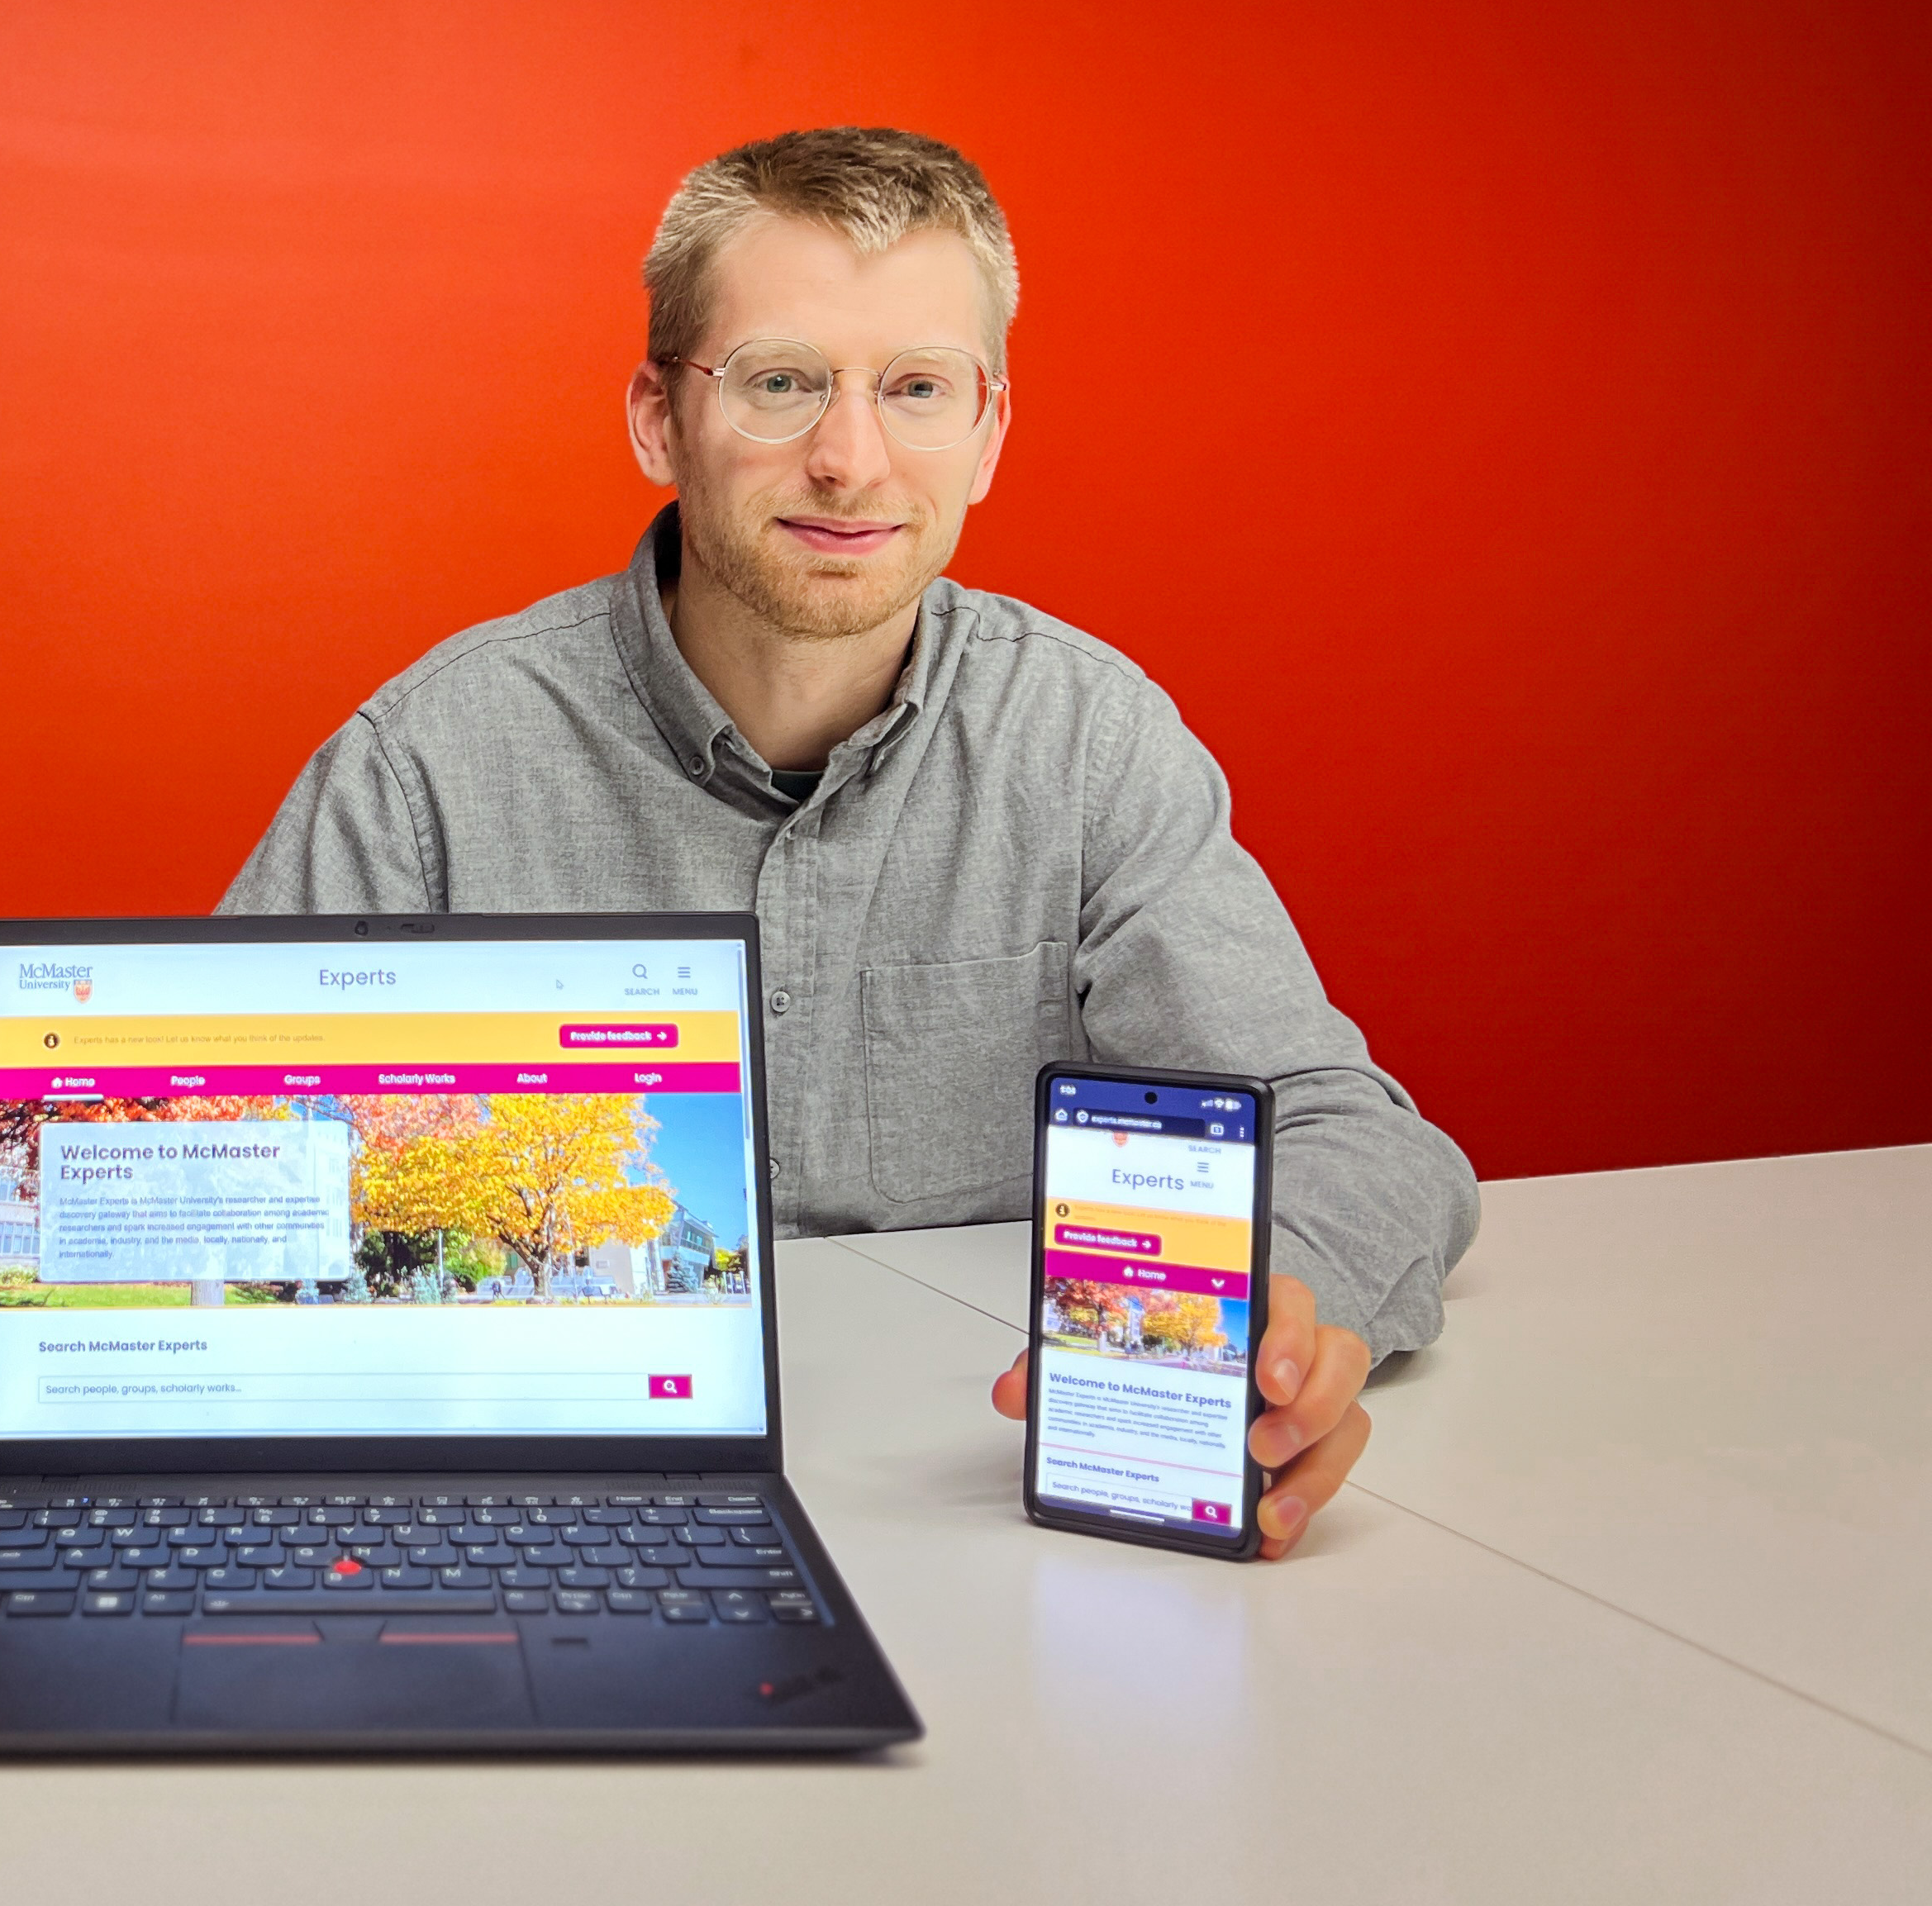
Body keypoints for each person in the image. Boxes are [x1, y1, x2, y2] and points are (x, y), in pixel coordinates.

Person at [221, 127, 1478, 1557]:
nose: (850, 459)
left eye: (918, 389)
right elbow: (231, 1177)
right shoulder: (425, 768)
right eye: (780, 384)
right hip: (563, 1513)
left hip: (992, 1517)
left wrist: (1275, 1319)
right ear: (656, 418)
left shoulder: (1089, 740)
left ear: (990, 433)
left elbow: (1350, 1131)